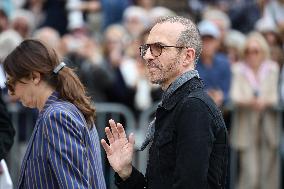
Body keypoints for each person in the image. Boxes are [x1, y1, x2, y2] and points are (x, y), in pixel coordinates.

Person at [101, 16, 228, 189]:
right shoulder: (177, 103)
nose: (147, 56)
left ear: (187, 56)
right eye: (146, 48)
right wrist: (126, 172)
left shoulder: (194, 107)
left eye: (158, 48)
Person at [3, 39, 106, 189]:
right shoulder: (64, 110)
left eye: (12, 83)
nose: (11, 92)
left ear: (35, 77)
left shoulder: (56, 116)